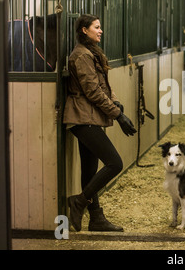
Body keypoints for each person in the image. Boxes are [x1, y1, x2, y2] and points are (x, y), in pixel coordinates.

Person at [63, 14, 137, 232]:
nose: (101, 30)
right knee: (115, 163)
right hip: (82, 118)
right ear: (84, 30)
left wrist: (115, 102)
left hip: (90, 117)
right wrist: (118, 115)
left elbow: (103, 84)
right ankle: (79, 201)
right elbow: (92, 90)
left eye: (100, 27)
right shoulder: (81, 55)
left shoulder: (92, 53)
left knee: (89, 171)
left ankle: (96, 218)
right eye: (96, 27)